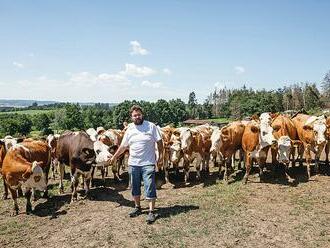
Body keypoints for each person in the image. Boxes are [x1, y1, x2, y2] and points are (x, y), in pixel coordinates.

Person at [109, 105, 163, 224]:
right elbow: (123, 146)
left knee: (149, 186)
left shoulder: (151, 126)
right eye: (134, 115)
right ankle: (137, 207)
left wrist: (160, 156)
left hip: (148, 162)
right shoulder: (130, 129)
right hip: (133, 163)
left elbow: (159, 142)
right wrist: (114, 157)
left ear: (142, 114)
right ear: (131, 117)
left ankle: (151, 211)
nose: (137, 117)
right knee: (134, 186)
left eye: (139, 114)